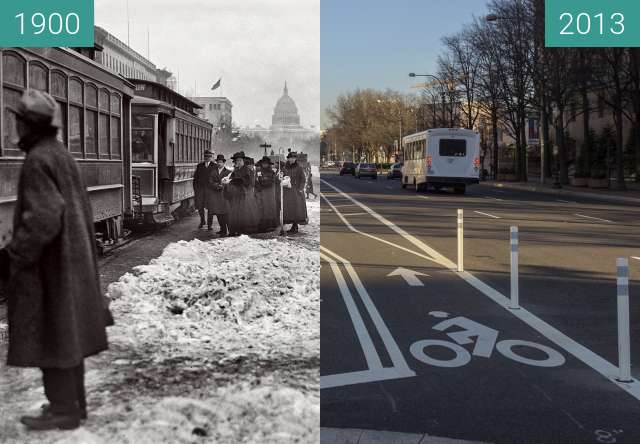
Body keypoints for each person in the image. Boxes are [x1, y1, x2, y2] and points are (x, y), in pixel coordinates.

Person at [0, 89, 113, 431]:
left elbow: (44, 218)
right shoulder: (61, 154)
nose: (16, 128)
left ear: (27, 124)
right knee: (68, 338)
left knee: (53, 336)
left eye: (18, 121)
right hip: (71, 264)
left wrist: (14, 255)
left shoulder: (37, 160)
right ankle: (73, 405)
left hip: (51, 269)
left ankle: (62, 409)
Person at [224, 151, 259, 235]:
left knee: (244, 212)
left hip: (245, 195)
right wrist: (228, 181)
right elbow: (231, 179)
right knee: (235, 212)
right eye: (237, 161)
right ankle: (234, 229)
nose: (238, 162)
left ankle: (243, 230)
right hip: (236, 195)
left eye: (240, 160)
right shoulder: (235, 170)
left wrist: (236, 181)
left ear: (243, 161)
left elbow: (249, 182)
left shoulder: (248, 170)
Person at [282, 151, 308, 234]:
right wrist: (282, 180)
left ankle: (295, 226)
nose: (292, 159)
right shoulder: (285, 167)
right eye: (291, 158)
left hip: (296, 191)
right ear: (288, 158)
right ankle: (288, 225)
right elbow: (281, 176)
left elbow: (303, 179)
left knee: (296, 209)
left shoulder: (299, 167)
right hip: (287, 190)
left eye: (294, 158)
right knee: (289, 208)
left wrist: (300, 189)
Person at [255, 156, 279, 232]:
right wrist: (260, 183)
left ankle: (271, 224)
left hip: (269, 192)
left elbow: (271, 181)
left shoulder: (272, 172)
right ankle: (262, 225)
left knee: (269, 207)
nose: (264, 165)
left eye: (266, 163)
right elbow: (257, 180)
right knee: (262, 207)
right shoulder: (259, 172)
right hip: (261, 191)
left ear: (269, 164)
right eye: (263, 163)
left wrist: (263, 180)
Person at [209, 154, 231, 236]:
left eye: (221, 162)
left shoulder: (228, 172)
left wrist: (224, 185)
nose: (219, 163)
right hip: (216, 195)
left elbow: (230, 181)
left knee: (226, 213)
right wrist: (218, 186)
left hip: (225, 195)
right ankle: (223, 230)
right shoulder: (213, 172)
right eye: (218, 162)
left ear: (224, 163)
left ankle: (230, 229)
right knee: (218, 213)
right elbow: (210, 182)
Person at [193, 150, 216, 229]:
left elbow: (216, 178)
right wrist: (196, 189)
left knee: (210, 207)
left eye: (209, 156)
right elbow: (195, 178)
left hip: (210, 190)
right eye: (206, 156)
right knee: (200, 206)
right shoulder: (200, 166)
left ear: (211, 157)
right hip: (200, 190)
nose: (207, 158)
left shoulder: (214, 166)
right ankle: (202, 221)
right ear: (204, 157)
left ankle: (209, 225)